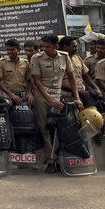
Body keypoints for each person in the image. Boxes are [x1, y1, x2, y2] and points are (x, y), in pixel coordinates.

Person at [31, 34, 80, 163]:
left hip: (58, 94)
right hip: (42, 95)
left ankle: (60, 155)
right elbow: (37, 81)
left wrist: (77, 97)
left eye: (48, 46)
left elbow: (71, 78)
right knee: (44, 127)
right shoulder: (37, 58)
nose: (45, 49)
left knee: (59, 126)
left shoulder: (64, 56)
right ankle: (50, 158)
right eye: (43, 46)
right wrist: (50, 100)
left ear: (55, 46)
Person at [59, 36, 101, 105]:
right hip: (67, 95)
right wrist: (77, 91)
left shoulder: (77, 58)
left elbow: (86, 76)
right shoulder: (58, 60)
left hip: (83, 93)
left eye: (76, 46)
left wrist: (96, 89)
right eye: (74, 47)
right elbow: (57, 82)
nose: (76, 49)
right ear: (65, 46)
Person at [0, 39, 32, 105]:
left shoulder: (25, 63)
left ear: (19, 49)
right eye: (8, 50)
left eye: (12, 49)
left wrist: (30, 93)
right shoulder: (1, 63)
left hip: (23, 97)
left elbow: (29, 81)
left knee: (24, 115)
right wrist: (11, 95)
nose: (9, 52)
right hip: (8, 97)